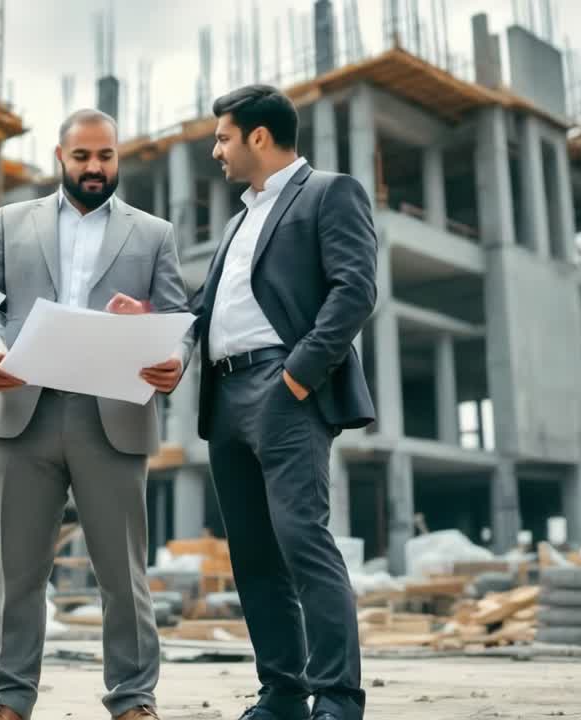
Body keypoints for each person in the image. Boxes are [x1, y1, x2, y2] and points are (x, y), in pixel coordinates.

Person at [0, 108, 193, 720]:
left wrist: (172, 356)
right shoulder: (12, 222)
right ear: (60, 157)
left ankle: (133, 700)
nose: (95, 167)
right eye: (82, 157)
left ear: (117, 157)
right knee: (19, 572)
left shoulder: (153, 233)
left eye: (106, 156)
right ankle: (8, 701)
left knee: (124, 575)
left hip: (113, 415)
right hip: (22, 412)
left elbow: (178, 321)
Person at [194, 85, 377, 720]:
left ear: (259, 137)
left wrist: (297, 377)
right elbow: (209, 306)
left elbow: (354, 290)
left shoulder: (330, 192)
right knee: (251, 552)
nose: (215, 149)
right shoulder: (238, 219)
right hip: (225, 394)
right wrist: (158, 322)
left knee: (302, 539)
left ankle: (338, 697)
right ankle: (282, 692)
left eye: (222, 137)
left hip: (285, 388)